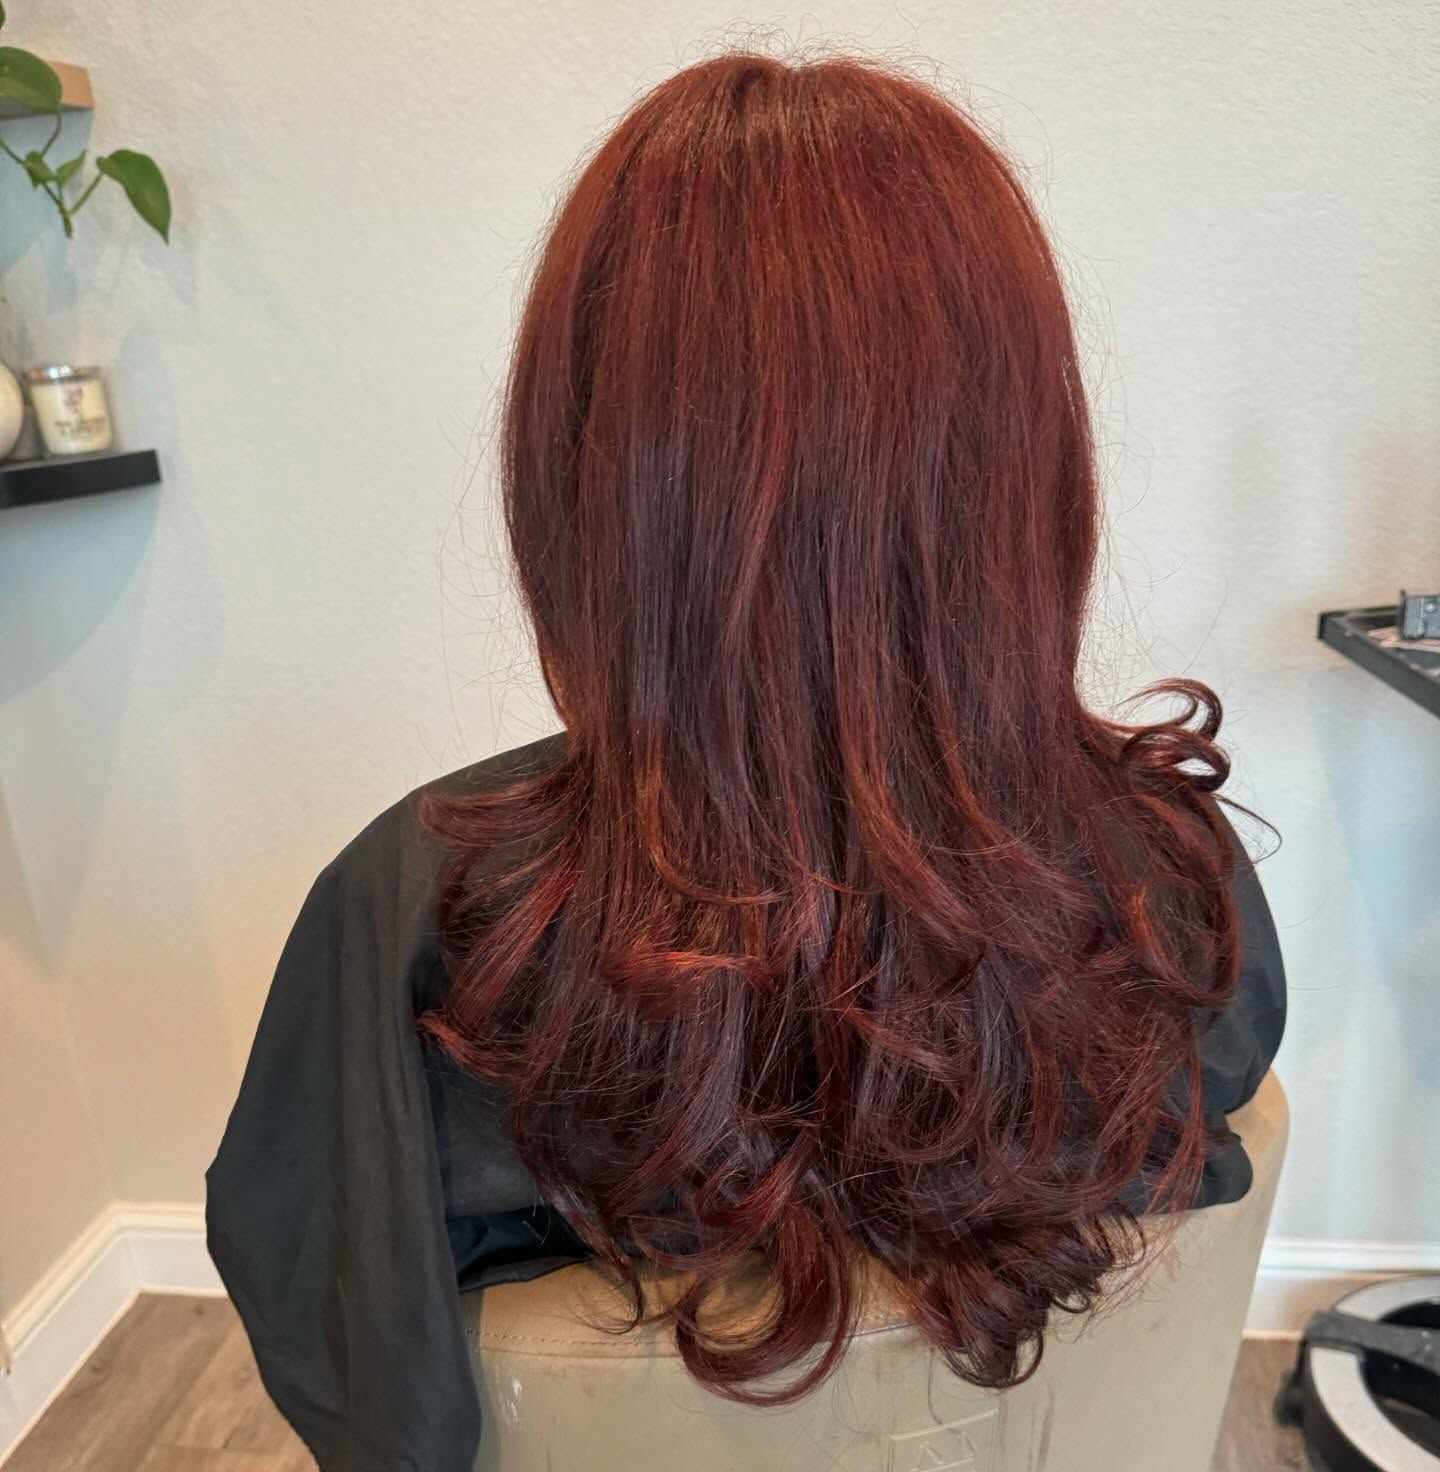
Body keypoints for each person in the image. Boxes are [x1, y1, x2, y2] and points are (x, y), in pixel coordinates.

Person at [206, 51, 1286, 1472]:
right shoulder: (1171, 881)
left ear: (583, 479)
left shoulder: (421, 916)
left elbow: (372, 1398)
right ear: (1022, 468)